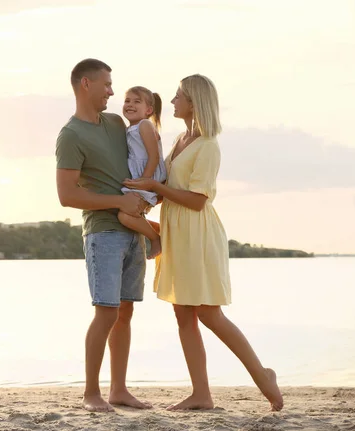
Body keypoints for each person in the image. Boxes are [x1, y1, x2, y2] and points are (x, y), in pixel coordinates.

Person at [123, 74, 284, 412]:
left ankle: (262, 375)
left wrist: (155, 184)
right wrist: (144, 196)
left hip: (197, 234)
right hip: (177, 232)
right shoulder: (181, 138)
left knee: (210, 314)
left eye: (178, 96)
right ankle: (201, 394)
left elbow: (197, 200)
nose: (172, 101)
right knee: (183, 316)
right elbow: (167, 188)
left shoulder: (208, 144)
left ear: (194, 102)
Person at [55, 58, 152, 412]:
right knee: (106, 313)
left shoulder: (114, 123)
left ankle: (119, 390)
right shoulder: (70, 135)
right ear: (86, 84)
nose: (113, 91)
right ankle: (91, 393)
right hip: (103, 235)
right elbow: (67, 196)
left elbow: (145, 145)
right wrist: (120, 202)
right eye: (107, 84)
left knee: (125, 313)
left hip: (132, 232)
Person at [118, 86, 167, 259]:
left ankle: (155, 238)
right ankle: (160, 230)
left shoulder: (145, 125)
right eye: (127, 101)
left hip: (150, 176)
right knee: (129, 213)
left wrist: (144, 181)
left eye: (136, 101)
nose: (130, 105)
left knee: (125, 216)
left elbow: (153, 156)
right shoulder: (130, 128)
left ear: (148, 110)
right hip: (142, 178)